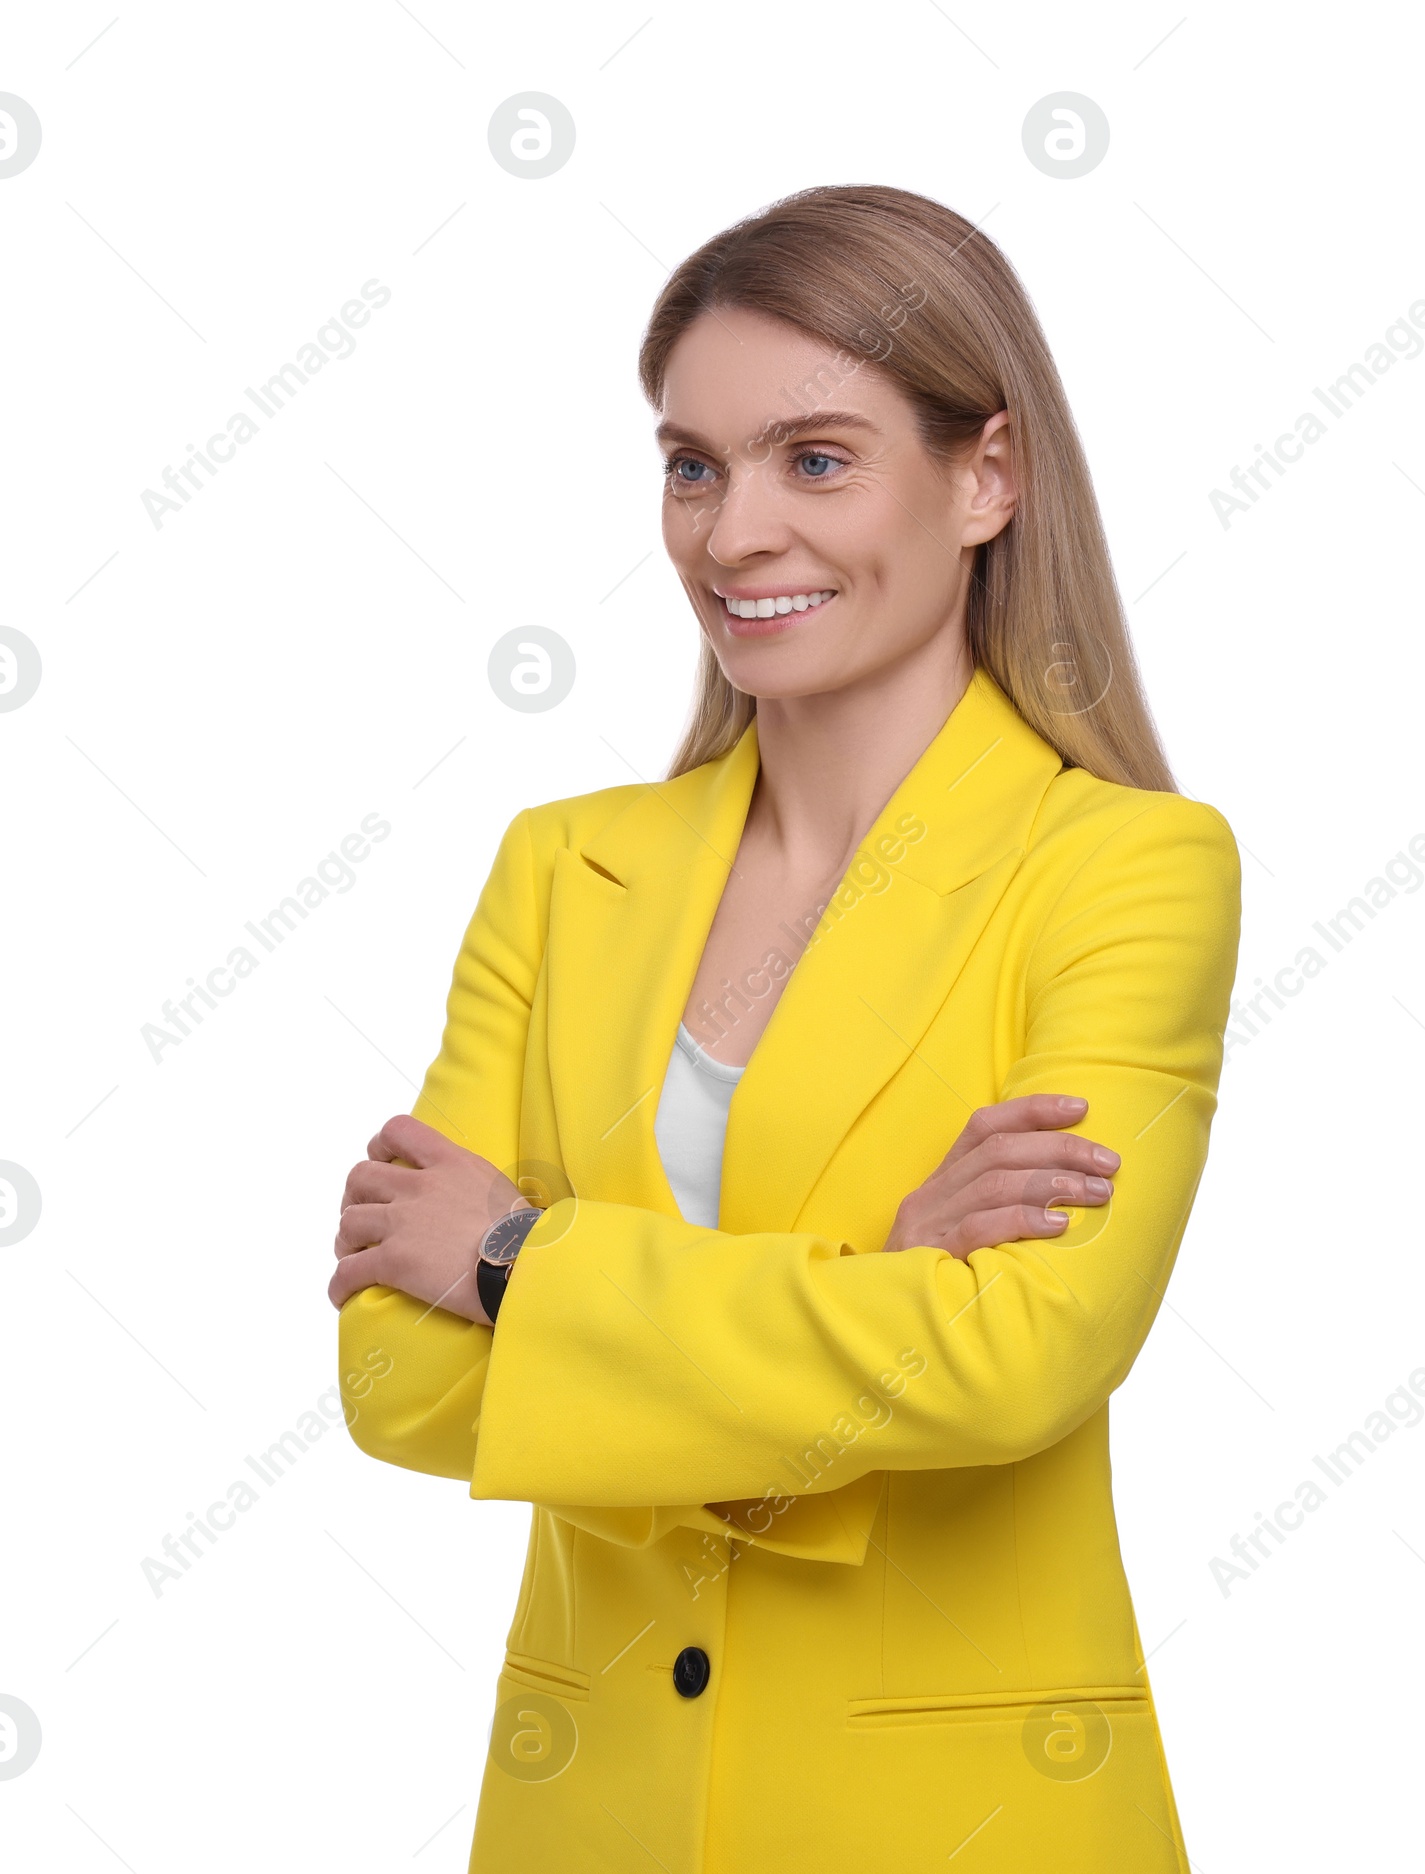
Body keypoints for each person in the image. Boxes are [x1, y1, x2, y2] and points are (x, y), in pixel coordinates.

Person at [330, 183, 1241, 1873]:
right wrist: (879, 1290)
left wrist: (525, 1268)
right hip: (589, 1817)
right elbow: (395, 1375)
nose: (733, 530)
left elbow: (1020, 1357)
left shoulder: (1124, 871)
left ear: (988, 476)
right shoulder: (565, 867)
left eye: (813, 459)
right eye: (694, 463)